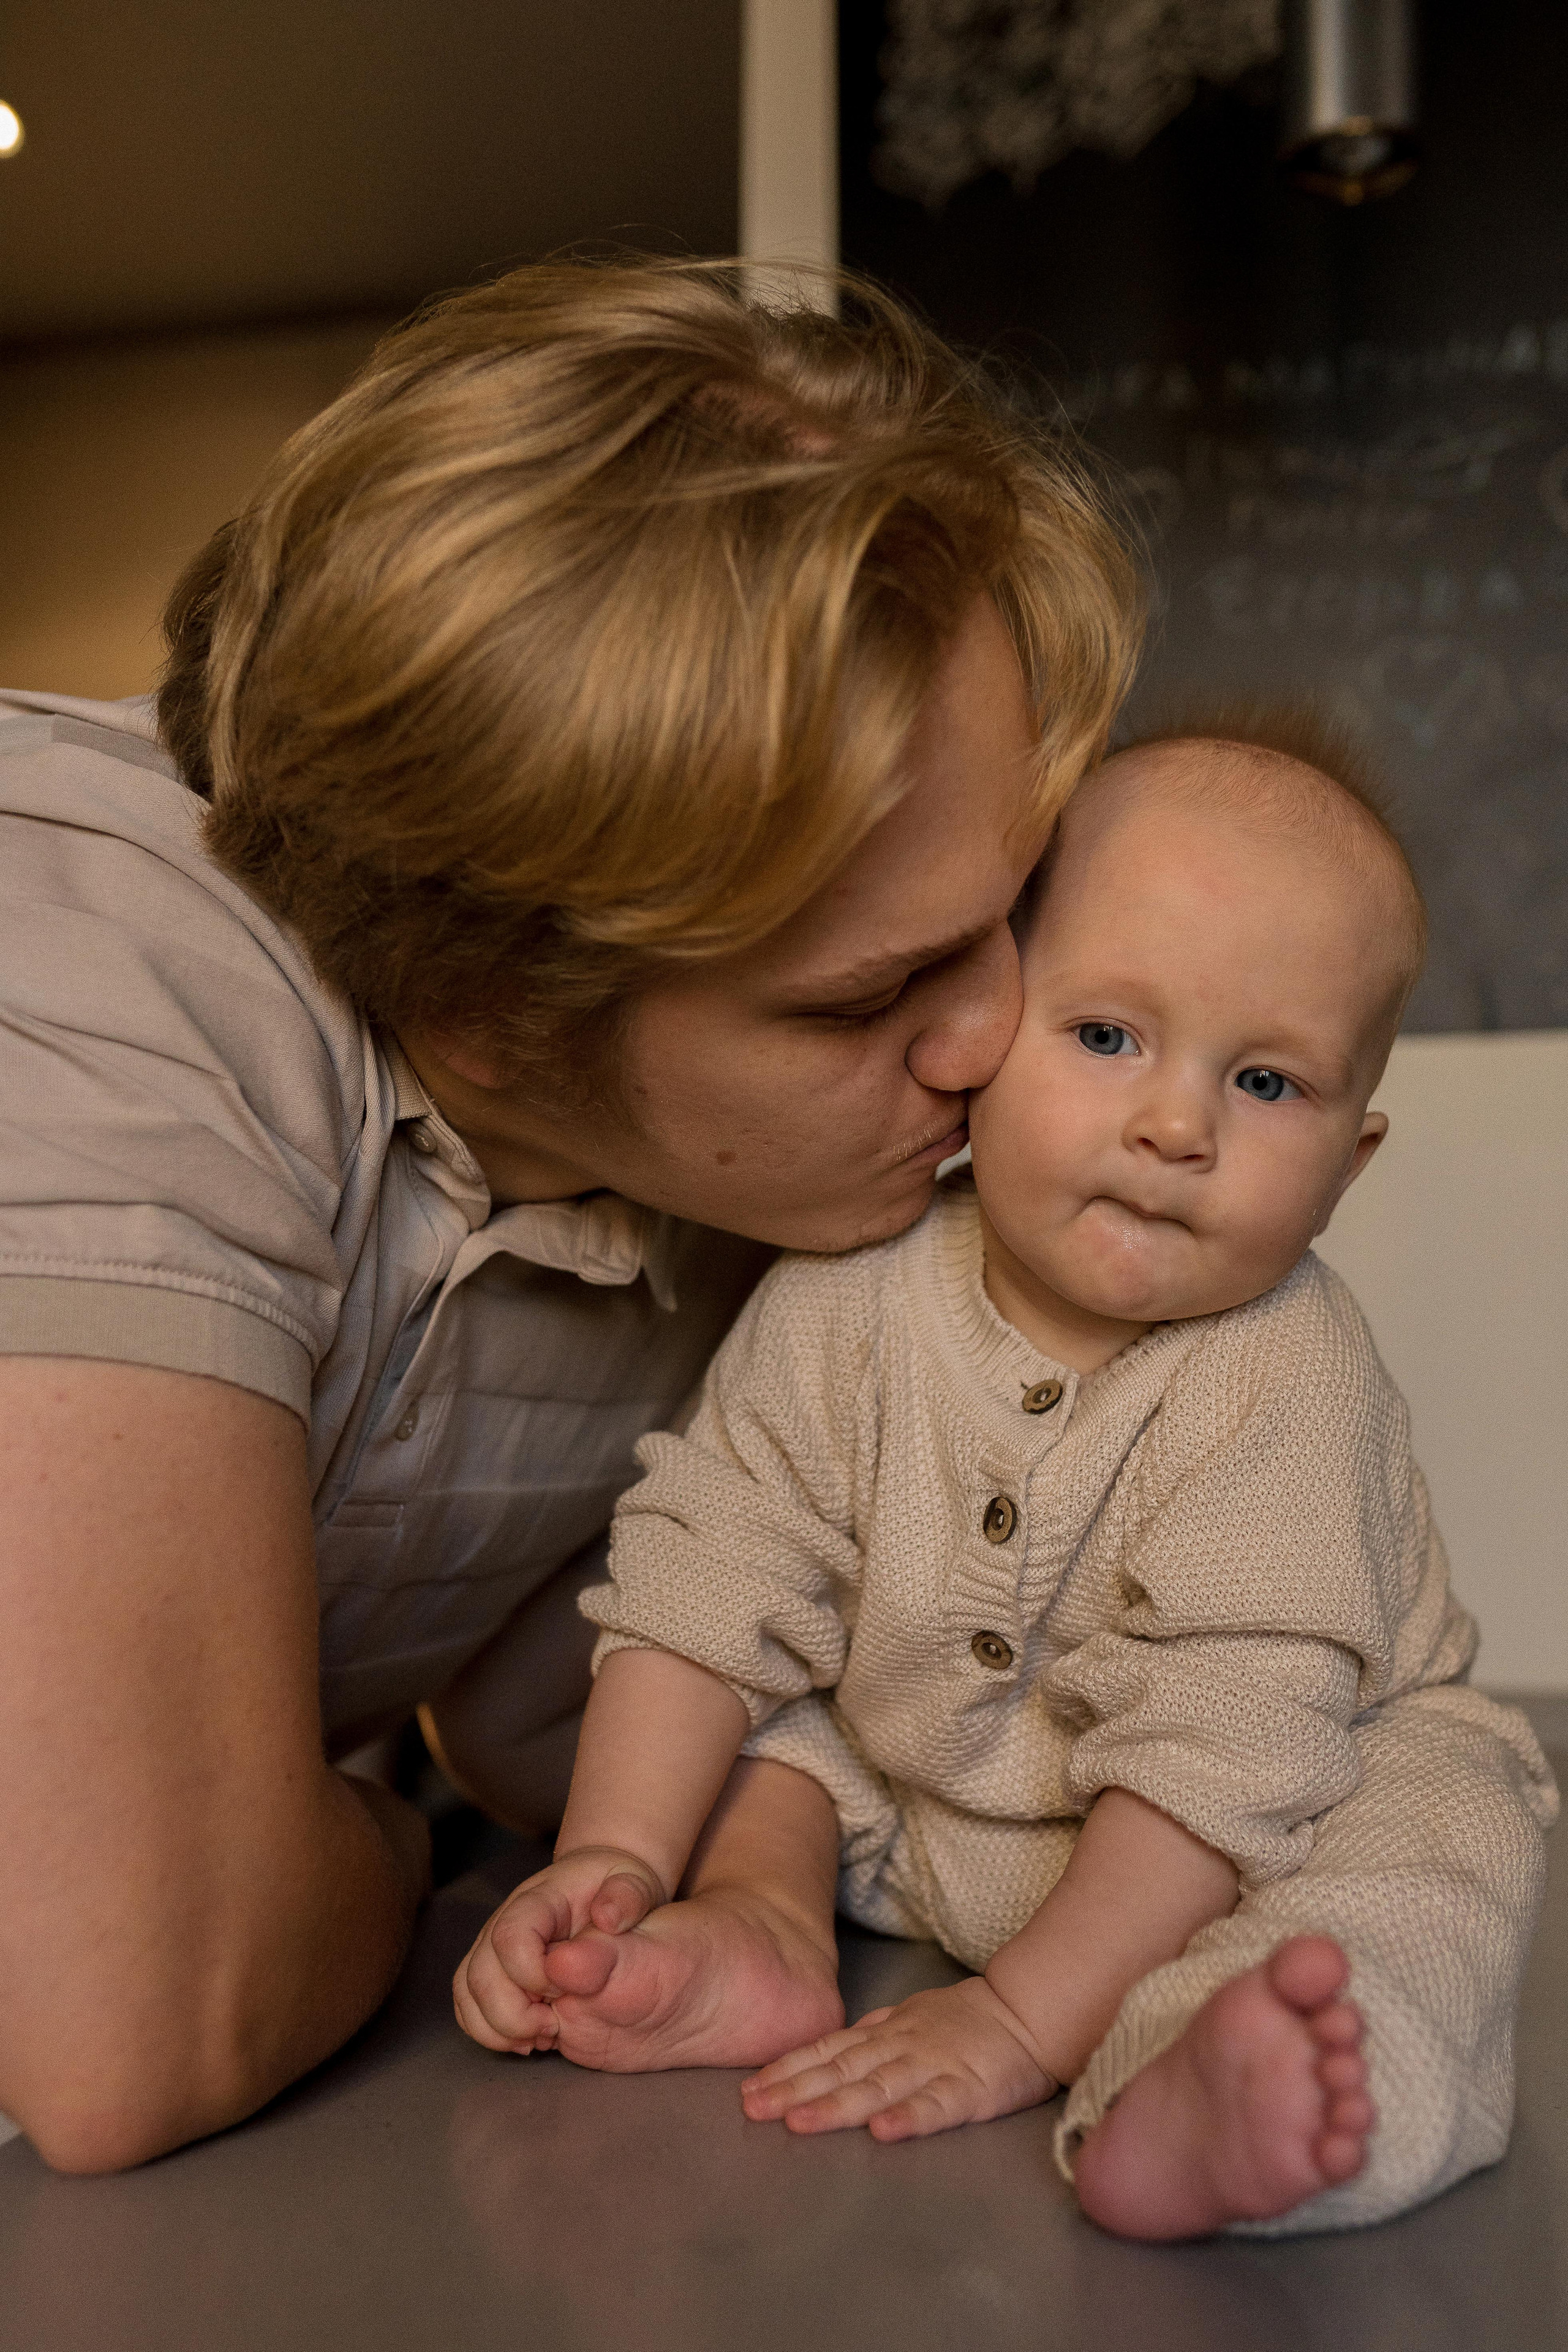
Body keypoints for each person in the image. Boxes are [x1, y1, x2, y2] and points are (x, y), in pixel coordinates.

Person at [0, 260, 1138, 2171]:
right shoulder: (88, 965)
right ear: (479, 1004)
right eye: (870, 997)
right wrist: (373, 1829)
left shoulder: (711, 1179)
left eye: (1010, 917)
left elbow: (586, 1748)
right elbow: (134, 2018)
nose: (1002, 1037)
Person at [452, 724, 1557, 2240]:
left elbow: (1228, 1752)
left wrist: (1021, 2029)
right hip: (934, 1797)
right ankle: (754, 1923)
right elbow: (713, 1559)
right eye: (1106, 1036)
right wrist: (610, 1861)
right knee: (758, 1699)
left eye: (1264, 1082)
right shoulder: (851, 1286)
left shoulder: (1282, 1374)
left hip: (1269, 1801)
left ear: (1350, 1164)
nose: (1175, 1126)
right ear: (985, 1031)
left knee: (1431, 1857)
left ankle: (1202, 2092)